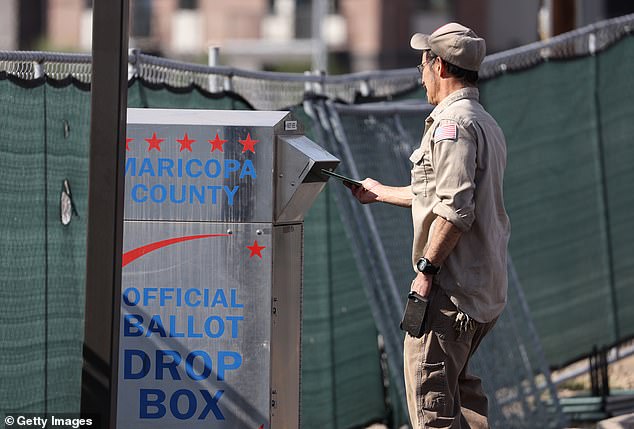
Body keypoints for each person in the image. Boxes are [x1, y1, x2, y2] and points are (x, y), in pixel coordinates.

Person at [348, 23, 511, 428]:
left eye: (422, 63)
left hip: (449, 294)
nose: (420, 74)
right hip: (480, 292)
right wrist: (380, 192)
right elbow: (439, 196)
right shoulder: (483, 120)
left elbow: (455, 210)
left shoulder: (452, 127)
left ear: (439, 66)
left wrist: (426, 272)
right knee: (464, 403)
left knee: (431, 408)